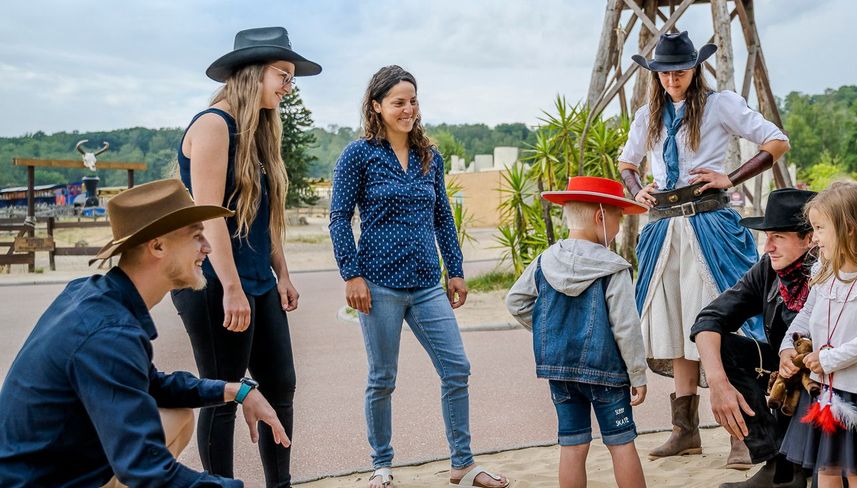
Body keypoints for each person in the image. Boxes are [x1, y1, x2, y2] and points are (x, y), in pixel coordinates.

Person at [0, 179, 289, 487]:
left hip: (45, 465)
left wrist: (235, 391)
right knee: (156, 448)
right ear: (158, 246)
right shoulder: (109, 333)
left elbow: (147, 384)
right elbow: (146, 469)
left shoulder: (95, 297)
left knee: (177, 418)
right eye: (196, 236)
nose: (207, 247)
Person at [329, 65, 508, 488]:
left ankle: (463, 463)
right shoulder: (359, 155)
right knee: (382, 377)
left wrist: (457, 270)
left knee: (457, 369)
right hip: (377, 286)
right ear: (377, 106)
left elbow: (442, 216)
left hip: (428, 285)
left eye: (413, 101)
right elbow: (338, 218)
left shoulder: (431, 155)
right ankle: (381, 464)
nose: (408, 109)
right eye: (398, 102)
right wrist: (351, 275)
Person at [617, 30, 790, 461]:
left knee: (720, 322)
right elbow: (626, 163)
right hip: (663, 230)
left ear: (695, 68)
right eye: (664, 73)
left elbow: (776, 141)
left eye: (680, 70)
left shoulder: (720, 104)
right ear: (654, 74)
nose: (672, 79)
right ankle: (685, 431)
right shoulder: (647, 116)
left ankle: (742, 434)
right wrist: (637, 187)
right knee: (677, 325)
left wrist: (730, 177)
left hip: (710, 222)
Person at [172, 26, 320, 487]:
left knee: (281, 386)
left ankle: (281, 485)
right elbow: (210, 216)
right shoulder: (215, 124)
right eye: (284, 75)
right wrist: (231, 289)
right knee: (223, 394)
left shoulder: (261, 131)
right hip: (215, 282)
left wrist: (284, 274)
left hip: (257, 279)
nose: (288, 87)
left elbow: (265, 215)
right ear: (253, 73)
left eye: (292, 78)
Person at [506, 175, 650, 488]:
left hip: (560, 373)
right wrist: (637, 375)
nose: (618, 226)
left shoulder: (545, 260)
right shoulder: (614, 267)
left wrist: (551, 329)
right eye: (618, 219)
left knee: (572, 445)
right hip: (606, 373)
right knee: (621, 442)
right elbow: (626, 327)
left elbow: (515, 301)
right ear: (601, 216)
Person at [691, 188, 818, 488]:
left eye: (779, 237)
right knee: (725, 350)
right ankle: (775, 462)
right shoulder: (769, 270)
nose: (767, 246)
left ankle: (801, 468)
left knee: (803, 370)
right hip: (783, 370)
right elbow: (709, 319)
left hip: (826, 372)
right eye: (767, 235)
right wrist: (718, 384)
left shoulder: (830, 272)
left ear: (809, 238)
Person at [777, 181, 857, 488]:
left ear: (849, 229)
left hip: (850, 390)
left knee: (853, 468)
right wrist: (787, 346)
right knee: (826, 468)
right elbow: (805, 314)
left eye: (819, 228)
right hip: (819, 388)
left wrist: (828, 359)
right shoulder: (823, 270)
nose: (814, 238)